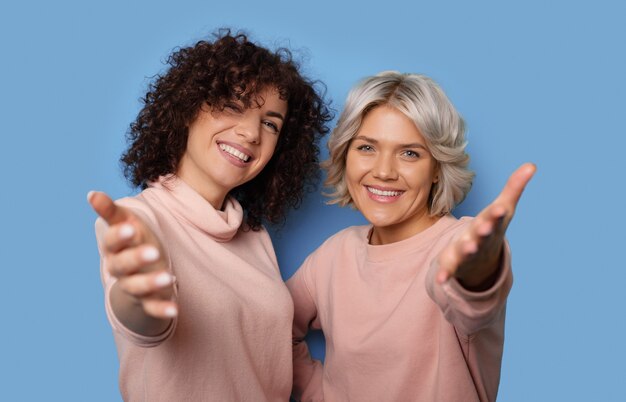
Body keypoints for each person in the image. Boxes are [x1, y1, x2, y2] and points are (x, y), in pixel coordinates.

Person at [88, 30, 331, 401]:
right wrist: (143, 297)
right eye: (234, 105)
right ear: (187, 109)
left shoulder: (254, 236)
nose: (251, 132)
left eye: (270, 123)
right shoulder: (138, 219)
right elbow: (146, 324)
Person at [287, 71, 536, 402]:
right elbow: (270, 327)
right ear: (345, 155)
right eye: (366, 147)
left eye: (409, 153)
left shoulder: (459, 243)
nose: (384, 171)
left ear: (436, 169)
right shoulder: (334, 255)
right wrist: (317, 392)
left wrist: (476, 271)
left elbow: (469, 299)